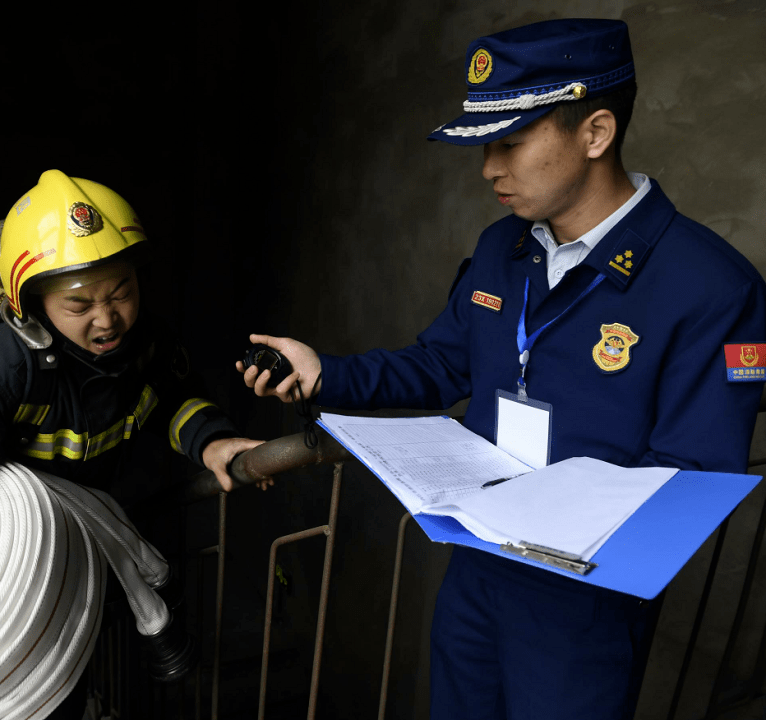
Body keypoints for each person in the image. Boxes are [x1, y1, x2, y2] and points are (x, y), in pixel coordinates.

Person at [238, 18, 766, 720]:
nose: (489, 167)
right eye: (486, 144)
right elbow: (439, 363)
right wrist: (325, 373)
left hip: (580, 601)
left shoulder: (711, 288)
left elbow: (692, 476)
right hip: (476, 569)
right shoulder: (501, 249)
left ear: (596, 133)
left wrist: (557, 520)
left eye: (510, 142)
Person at [0, 169, 261, 717]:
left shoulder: (147, 342)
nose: (108, 319)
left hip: (78, 552)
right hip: (12, 563)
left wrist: (212, 443)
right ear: (33, 304)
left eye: (122, 292)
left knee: (66, 684)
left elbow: (174, 398)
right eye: (80, 306)